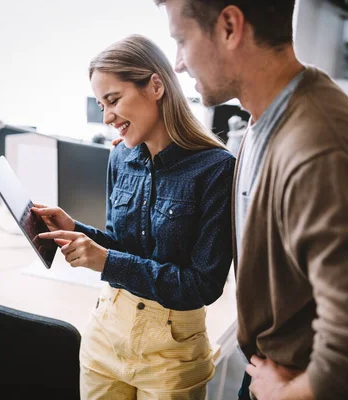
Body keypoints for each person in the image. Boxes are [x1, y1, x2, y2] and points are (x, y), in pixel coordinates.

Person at [155, 0, 348, 399]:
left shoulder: (319, 149)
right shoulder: (266, 115)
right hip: (268, 369)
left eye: (182, 40)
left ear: (230, 26)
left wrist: (277, 395)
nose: (179, 63)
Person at [34, 34, 235, 399]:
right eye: (101, 104)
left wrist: (106, 261)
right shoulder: (120, 158)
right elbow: (120, 245)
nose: (107, 117)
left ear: (155, 85)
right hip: (107, 330)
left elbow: (201, 285)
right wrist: (75, 229)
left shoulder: (216, 169)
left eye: (113, 100)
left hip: (171, 349)